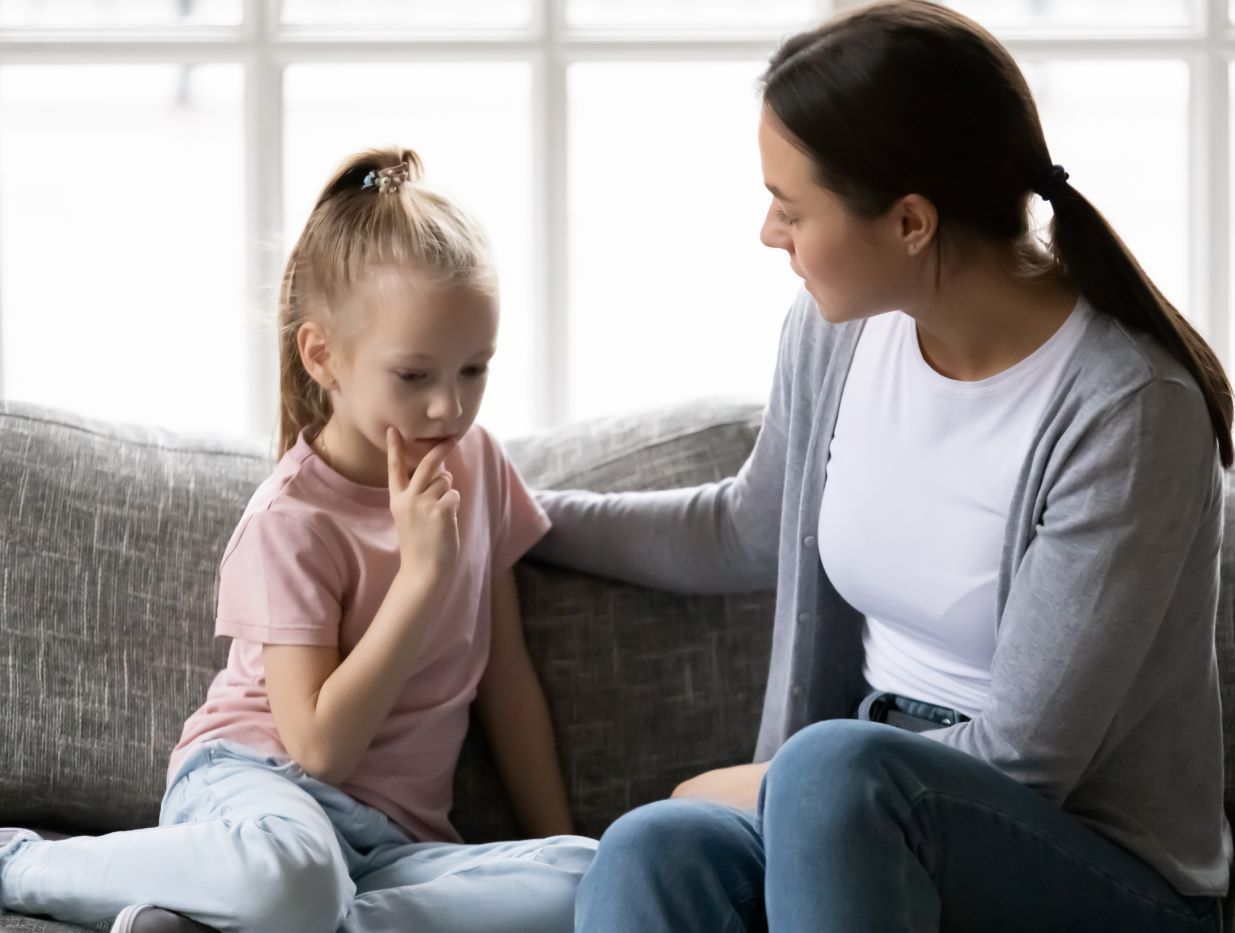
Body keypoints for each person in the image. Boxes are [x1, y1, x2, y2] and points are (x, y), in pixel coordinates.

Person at [530, 2, 1233, 930]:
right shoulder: (837, 338)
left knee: (830, 769)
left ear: (909, 221)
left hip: (1094, 868)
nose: (767, 233)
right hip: (858, 808)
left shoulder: (1125, 409)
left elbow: (1027, 759)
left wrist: (769, 782)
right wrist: (516, 510)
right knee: (653, 848)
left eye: (790, 207)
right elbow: (747, 527)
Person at [0, 148, 596, 933]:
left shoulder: (477, 465)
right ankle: (21, 862)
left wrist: (550, 834)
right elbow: (318, 747)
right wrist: (421, 578)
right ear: (324, 356)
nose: (449, 408)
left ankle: (265, 923)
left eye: (474, 369)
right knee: (296, 875)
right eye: (414, 375)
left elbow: (506, 678)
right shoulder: (291, 520)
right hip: (256, 793)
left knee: (591, 870)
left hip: (388, 848)